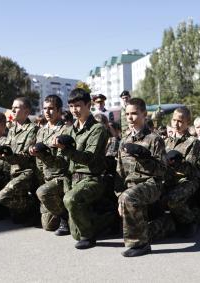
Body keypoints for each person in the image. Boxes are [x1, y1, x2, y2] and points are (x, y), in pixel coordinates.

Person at [55, 88, 115, 249]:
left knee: (71, 200)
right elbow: (61, 161)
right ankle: (102, 218)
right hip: (72, 178)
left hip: (91, 179)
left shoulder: (98, 129)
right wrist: (43, 154)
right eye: (72, 106)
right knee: (75, 233)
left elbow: (89, 158)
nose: (74, 110)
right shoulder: (69, 130)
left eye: (78, 106)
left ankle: (90, 235)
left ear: (89, 105)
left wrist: (66, 150)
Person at [115, 97, 167, 257]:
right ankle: (166, 224)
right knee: (129, 201)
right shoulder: (124, 140)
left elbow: (162, 170)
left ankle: (140, 245)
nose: (130, 118)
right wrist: (119, 196)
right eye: (127, 114)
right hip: (132, 186)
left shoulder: (154, 139)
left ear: (144, 114)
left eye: (134, 113)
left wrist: (144, 157)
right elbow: (120, 171)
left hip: (151, 184)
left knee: (129, 198)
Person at [0, 97, 39, 224]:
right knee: (16, 218)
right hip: (12, 171)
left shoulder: (32, 129)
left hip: (26, 172)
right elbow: (6, 149)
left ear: (26, 111)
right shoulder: (12, 129)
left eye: (17, 107)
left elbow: (26, 156)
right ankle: (22, 209)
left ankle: (34, 206)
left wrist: (8, 155)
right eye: (12, 107)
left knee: (3, 197)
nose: (12, 109)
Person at [30, 95, 70, 233]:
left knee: (43, 192)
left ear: (59, 110)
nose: (47, 112)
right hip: (47, 178)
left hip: (61, 178)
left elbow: (63, 163)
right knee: (48, 226)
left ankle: (65, 217)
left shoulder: (65, 131)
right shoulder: (41, 131)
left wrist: (44, 154)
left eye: (51, 109)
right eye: (45, 108)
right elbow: (39, 162)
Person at [162, 107, 200, 237]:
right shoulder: (166, 141)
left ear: (187, 122)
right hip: (168, 178)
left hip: (188, 179)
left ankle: (190, 221)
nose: (176, 124)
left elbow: (189, 167)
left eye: (180, 121)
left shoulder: (193, 142)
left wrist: (175, 163)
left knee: (172, 199)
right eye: (174, 120)